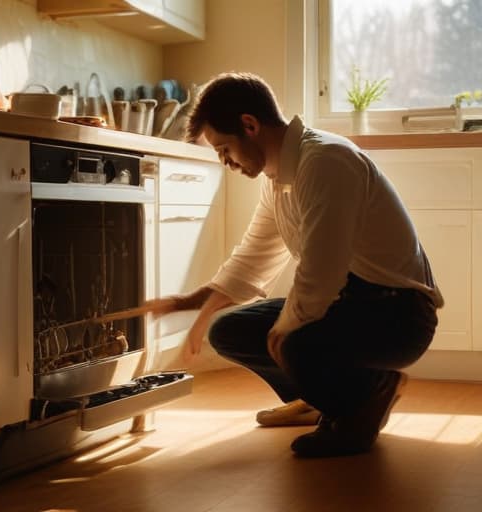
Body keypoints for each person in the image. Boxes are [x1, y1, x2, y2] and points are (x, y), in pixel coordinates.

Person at [144, 72, 443, 458]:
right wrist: (188, 302)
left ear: (249, 125)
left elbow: (322, 273)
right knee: (231, 330)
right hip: (351, 301)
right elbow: (253, 258)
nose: (225, 162)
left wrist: (286, 330)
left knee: (295, 340)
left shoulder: (326, 162)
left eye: (223, 149)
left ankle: (363, 402)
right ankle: (325, 396)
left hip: (398, 315)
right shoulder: (279, 178)